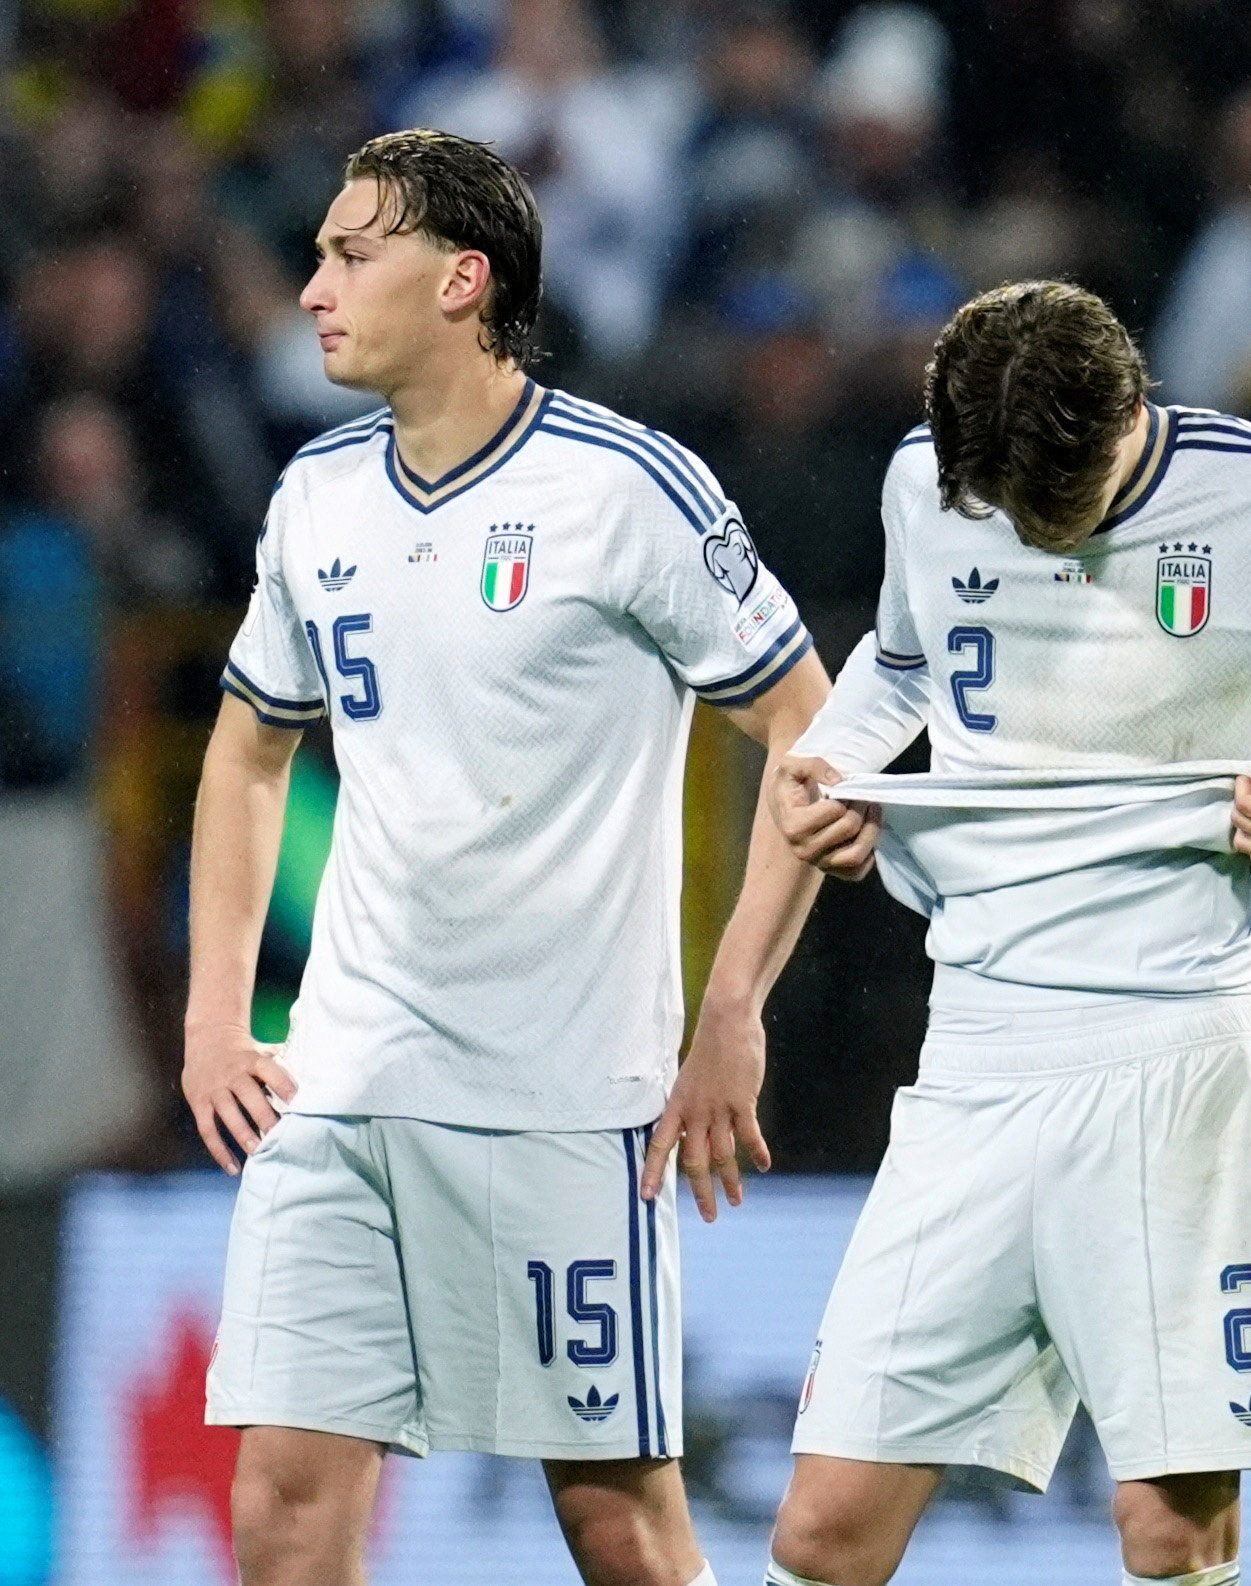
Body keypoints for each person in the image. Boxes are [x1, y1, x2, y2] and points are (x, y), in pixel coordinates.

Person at [762, 279, 1251, 1586]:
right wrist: (833, 762)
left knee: (1173, 1532)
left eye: (1049, 499)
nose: (1025, 526)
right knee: (823, 1528)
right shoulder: (930, 481)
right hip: (974, 1058)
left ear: (1132, 407)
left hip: (1176, 1059)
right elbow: (905, 657)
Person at [184, 129, 830, 1586]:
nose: (311, 290)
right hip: (340, 1086)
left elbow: (812, 731)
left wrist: (731, 1012)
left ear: (463, 279)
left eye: (351, 254)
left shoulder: (629, 491)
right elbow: (246, 749)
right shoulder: (317, 497)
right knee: (282, 1510)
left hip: (560, 1102)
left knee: (619, 1522)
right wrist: (216, 1014)